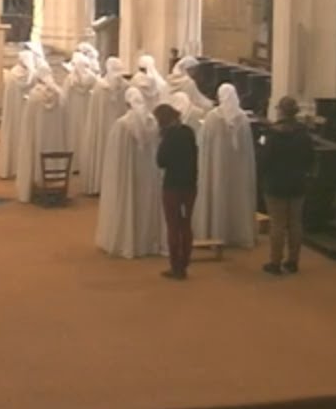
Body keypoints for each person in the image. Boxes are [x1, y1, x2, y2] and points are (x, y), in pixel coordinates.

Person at [96, 87, 161, 258]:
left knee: (129, 201)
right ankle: (147, 242)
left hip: (127, 174)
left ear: (127, 103)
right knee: (146, 204)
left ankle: (127, 240)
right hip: (148, 173)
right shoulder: (153, 123)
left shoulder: (122, 125)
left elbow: (114, 157)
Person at [193, 83, 257, 248]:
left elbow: (203, 142)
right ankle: (238, 233)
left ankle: (216, 232)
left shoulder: (212, 117)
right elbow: (248, 149)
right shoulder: (242, 118)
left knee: (217, 194)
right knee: (237, 196)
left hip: (216, 168)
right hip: (238, 169)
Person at [260, 96, 316, 275]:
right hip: (297, 183)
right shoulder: (303, 134)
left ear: (281, 111)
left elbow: (265, 160)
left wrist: (263, 176)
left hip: (276, 183)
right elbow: (310, 159)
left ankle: (275, 262)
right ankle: (293, 261)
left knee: (277, 224)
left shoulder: (274, 134)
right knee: (295, 223)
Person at [154, 103, 198, 280]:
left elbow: (161, 161)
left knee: (173, 225)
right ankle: (185, 262)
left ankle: (175, 266)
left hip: (172, 185)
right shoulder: (188, 131)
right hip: (190, 185)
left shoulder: (169, 136)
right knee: (186, 224)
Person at [14, 67, 67, 203]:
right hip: (56, 141)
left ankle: (36, 182)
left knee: (35, 154)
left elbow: (28, 123)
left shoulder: (34, 96)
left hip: (37, 140)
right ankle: (57, 182)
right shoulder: (60, 95)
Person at [78, 57, 129, 195]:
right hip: (119, 127)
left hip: (103, 129)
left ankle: (100, 183)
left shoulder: (100, 87)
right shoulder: (124, 86)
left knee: (102, 151)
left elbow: (94, 114)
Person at [0, 50, 37, 180]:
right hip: (26, 112)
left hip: (15, 113)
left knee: (14, 136)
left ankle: (11, 167)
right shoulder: (33, 76)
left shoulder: (11, 75)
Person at [62, 46, 99, 167]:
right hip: (88, 112)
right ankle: (86, 163)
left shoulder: (70, 79)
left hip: (72, 114)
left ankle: (74, 164)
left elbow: (64, 97)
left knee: (73, 137)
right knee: (86, 136)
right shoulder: (93, 79)